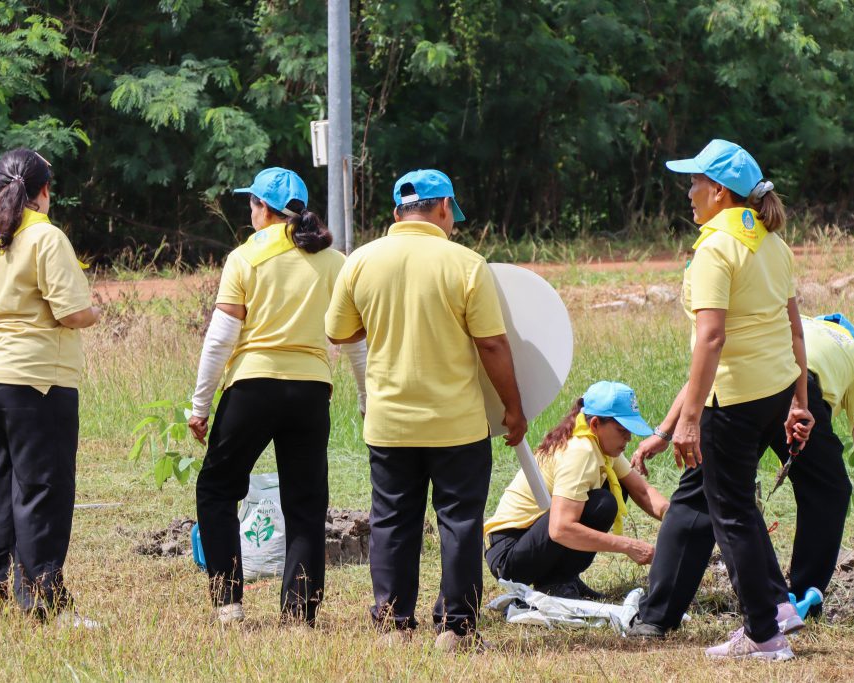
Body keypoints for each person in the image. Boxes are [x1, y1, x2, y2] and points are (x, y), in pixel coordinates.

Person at [625, 140, 814, 661]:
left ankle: (763, 636)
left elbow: (711, 338)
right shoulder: (773, 243)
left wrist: (688, 421)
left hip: (731, 400)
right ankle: (776, 606)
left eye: (694, 184)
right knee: (738, 507)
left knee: (728, 513)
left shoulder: (715, 248)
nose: (689, 194)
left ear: (719, 191)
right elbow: (794, 327)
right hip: (773, 391)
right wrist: (799, 400)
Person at [325, 169, 526, 653]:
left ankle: (393, 623)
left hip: (389, 423)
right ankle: (456, 630)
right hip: (456, 424)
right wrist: (513, 408)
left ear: (397, 213)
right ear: (443, 208)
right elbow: (493, 345)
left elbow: (338, 332)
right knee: (459, 522)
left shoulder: (361, 262)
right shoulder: (465, 264)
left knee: (392, 520)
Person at [630, 312, 854, 630]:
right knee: (828, 492)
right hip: (797, 388)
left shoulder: (789, 319)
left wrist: (664, 431)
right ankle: (799, 604)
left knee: (702, 493)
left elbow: (706, 367)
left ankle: (655, 619)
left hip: (735, 381)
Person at [188, 167, 363, 627]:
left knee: (217, 489)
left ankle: (229, 604)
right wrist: (366, 398)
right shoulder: (336, 262)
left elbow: (220, 340)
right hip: (311, 393)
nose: (251, 211)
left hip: (252, 388)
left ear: (262, 208)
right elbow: (356, 342)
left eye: (252, 203)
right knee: (306, 502)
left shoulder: (246, 257)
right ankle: (299, 614)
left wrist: (200, 406)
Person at [0, 148, 102, 629]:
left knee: (0, 488)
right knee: (43, 490)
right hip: (36, 384)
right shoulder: (46, 237)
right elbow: (71, 313)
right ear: (44, 191)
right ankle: (46, 603)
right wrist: (96, 309)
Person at [484, 381, 669, 599]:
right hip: (510, 559)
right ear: (596, 424)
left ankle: (560, 579)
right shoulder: (580, 451)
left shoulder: (599, 443)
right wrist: (629, 546)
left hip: (530, 541)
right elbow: (560, 529)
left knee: (616, 490)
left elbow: (642, 492)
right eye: (622, 430)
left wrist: (680, 520)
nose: (628, 438)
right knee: (603, 503)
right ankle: (557, 582)